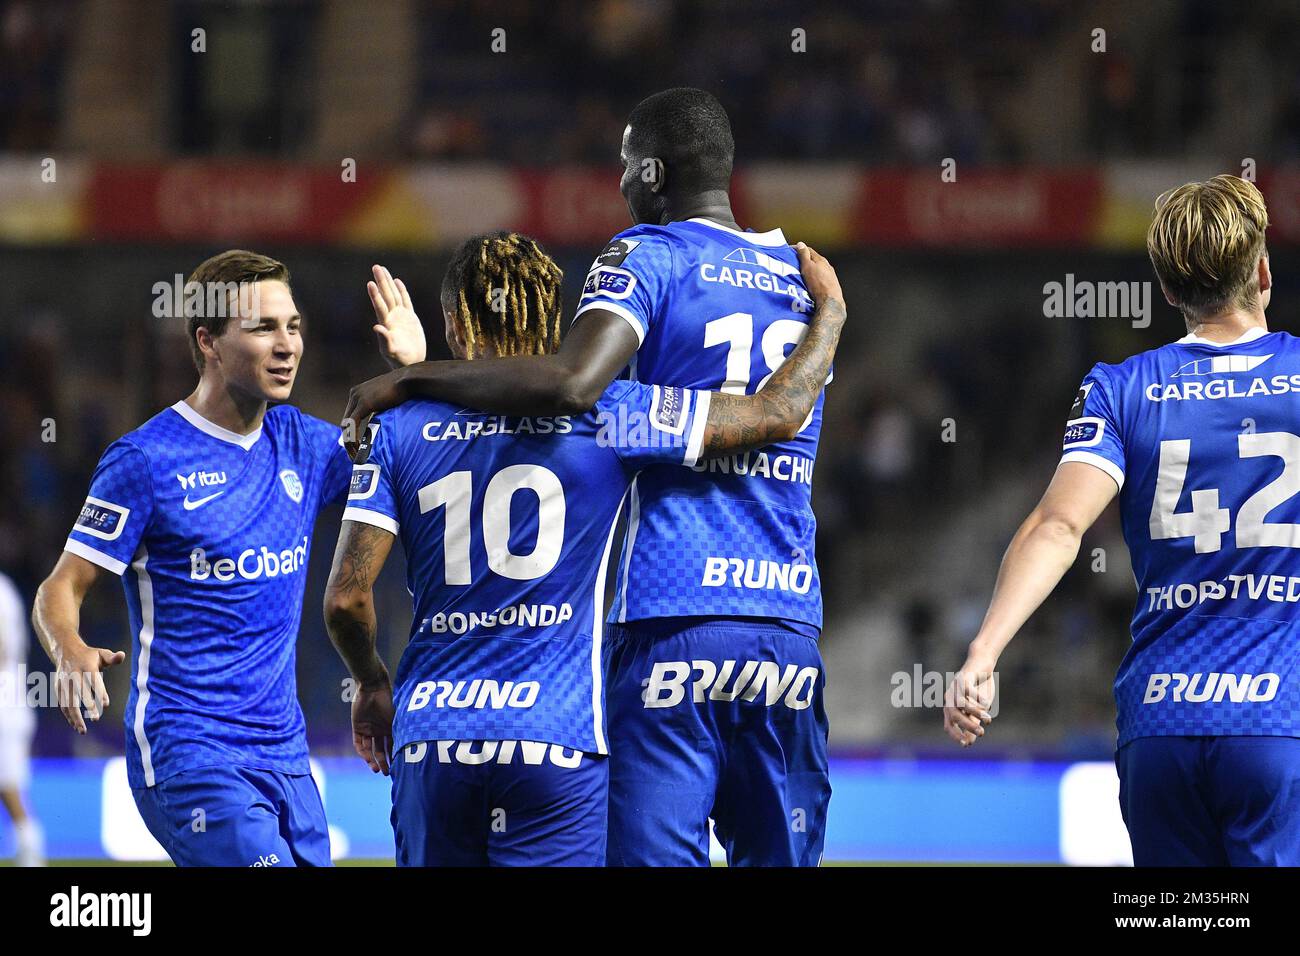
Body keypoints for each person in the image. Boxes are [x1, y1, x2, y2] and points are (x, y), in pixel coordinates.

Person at [343, 88, 834, 866]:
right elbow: (778, 411)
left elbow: (564, 390)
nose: (617, 185)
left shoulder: (637, 287)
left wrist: (413, 379)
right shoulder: (796, 287)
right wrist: (834, 317)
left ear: (651, 170)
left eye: (621, 166)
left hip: (660, 619)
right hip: (784, 623)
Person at [946, 175, 1300, 865]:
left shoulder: (1120, 387)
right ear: (1261, 271)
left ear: (1167, 292)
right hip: (1279, 718)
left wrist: (983, 653)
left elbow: (1057, 527)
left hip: (1160, 723)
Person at [30, 250, 425, 866]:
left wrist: (413, 372)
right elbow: (60, 586)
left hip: (286, 756)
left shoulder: (305, 442)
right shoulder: (144, 462)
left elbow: (417, 460)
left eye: (293, 325)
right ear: (208, 341)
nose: (287, 344)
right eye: (263, 327)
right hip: (190, 751)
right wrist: (68, 648)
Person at [0, 570, 43, 866]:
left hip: (5, 706)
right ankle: (29, 847)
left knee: (9, 786)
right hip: (12, 704)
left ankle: (30, 848)